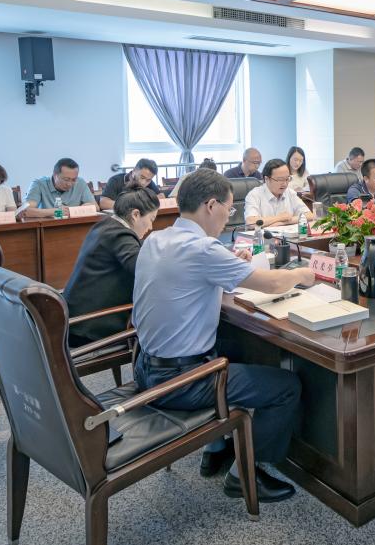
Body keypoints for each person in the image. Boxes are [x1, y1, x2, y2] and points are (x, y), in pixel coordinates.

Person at [132, 168, 315, 502]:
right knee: (286, 387)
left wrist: (228, 262)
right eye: (229, 210)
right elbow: (274, 283)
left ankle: (215, 449)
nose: (227, 218)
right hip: (180, 382)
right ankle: (244, 473)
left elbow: (189, 278)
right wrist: (304, 273)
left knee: (234, 348)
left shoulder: (156, 239)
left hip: (144, 366)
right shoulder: (203, 250)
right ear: (211, 205)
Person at [63, 185, 159, 347]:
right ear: (135, 214)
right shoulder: (120, 235)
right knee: (156, 326)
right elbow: (143, 270)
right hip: (90, 329)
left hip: (75, 320)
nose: (151, 227)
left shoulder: (106, 225)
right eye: (151, 219)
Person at [244, 159, 313, 226]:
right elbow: (251, 222)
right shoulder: (254, 195)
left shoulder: (290, 192)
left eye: (287, 179)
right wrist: (279, 218)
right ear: (267, 179)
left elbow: (309, 215)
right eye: (280, 180)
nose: (285, 184)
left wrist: (284, 222)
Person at [23, 158, 97, 218]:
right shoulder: (39, 184)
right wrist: (55, 211)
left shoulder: (80, 182)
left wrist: (72, 210)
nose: (69, 184)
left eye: (73, 180)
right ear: (55, 175)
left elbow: (95, 207)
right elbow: (26, 211)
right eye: (66, 179)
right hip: (47, 227)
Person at [99, 158, 163, 210]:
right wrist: (131, 206)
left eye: (148, 180)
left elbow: (161, 196)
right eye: (142, 177)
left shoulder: (148, 181)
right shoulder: (115, 180)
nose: (144, 183)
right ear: (134, 170)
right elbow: (103, 203)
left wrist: (144, 204)